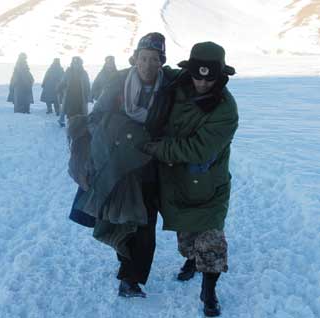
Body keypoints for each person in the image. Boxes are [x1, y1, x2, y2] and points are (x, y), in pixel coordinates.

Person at [68, 33, 180, 298]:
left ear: (162, 61)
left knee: (145, 224)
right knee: (121, 220)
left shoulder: (169, 87)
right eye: (143, 58)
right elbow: (95, 119)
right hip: (119, 164)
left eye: (154, 59)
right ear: (135, 58)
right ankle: (125, 267)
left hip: (151, 166)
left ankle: (131, 278)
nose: (148, 64)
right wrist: (120, 133)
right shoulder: (118, 82)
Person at [143, 41, 238, 316]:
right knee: (186, 238)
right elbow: (147, 72)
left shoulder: (226, 110)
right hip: (176, 182)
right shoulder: (176, 82)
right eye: (197, 75)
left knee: (211, 242)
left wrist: (156, 148)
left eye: (210, 79)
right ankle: (191, 260)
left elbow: (198, 149)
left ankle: (209, 293)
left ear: (221, 77)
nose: (202, 83)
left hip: (207, 185)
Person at [57, 56, 90, 127]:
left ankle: (80, 125)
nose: (76, 65)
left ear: (80, 64)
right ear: (72, 63)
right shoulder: (68, 71)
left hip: (80, 97)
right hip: (70, 97)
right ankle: (70, 125)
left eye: (77, 63)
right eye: (74, 63)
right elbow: (63, 81)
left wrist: (88, 95)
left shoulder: (84, 73)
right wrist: (59, 87)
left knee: (81, 112)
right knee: (70, 112)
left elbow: (87, 85)